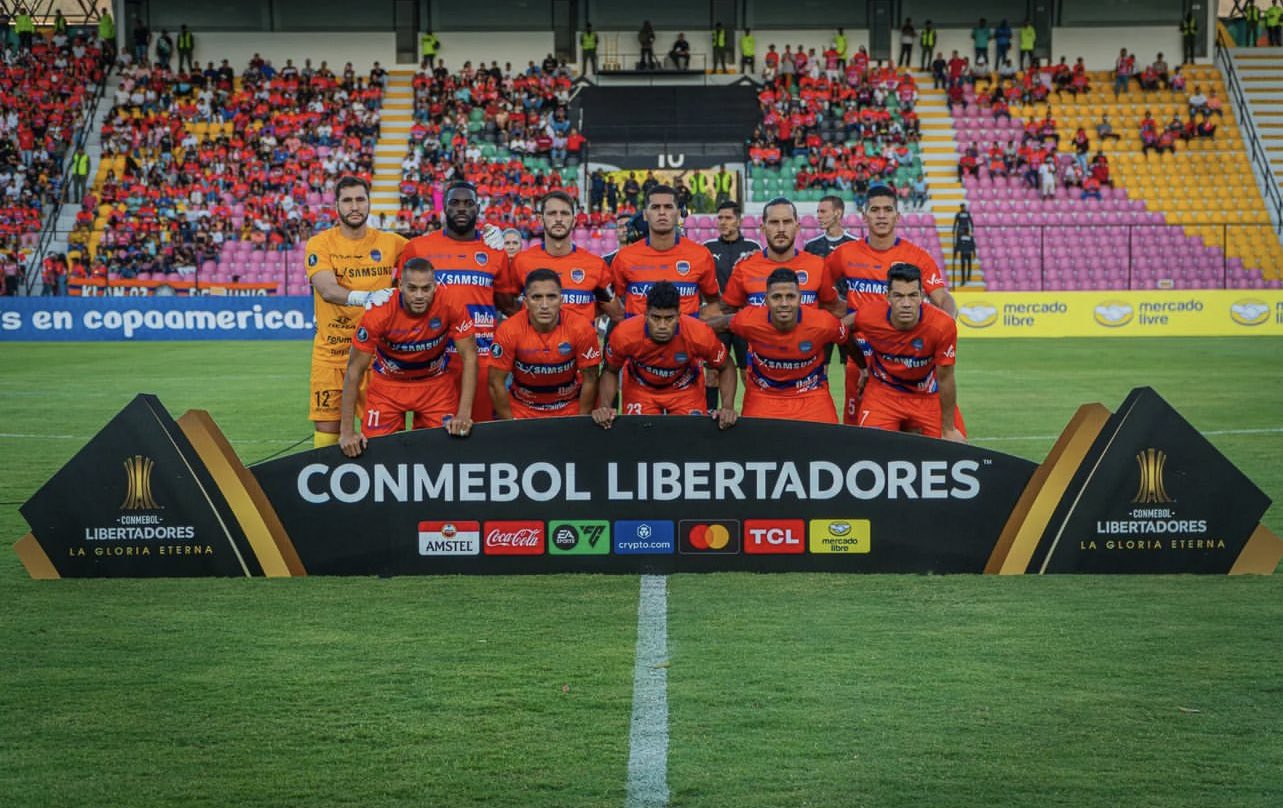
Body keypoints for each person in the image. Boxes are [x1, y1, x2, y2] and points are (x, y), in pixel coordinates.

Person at [825, 185, 957, 426]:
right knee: (858, 433)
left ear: (898, 216)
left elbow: (942, 298)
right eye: (875, 210)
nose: (882, 215)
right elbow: (821, 290)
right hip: (861, 355)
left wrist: (946, 325)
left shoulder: (917, 256)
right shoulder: (845, 254)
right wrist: (839, 310)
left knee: (921, 431)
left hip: (906, 355)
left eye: (888, 210)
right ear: (864, 216)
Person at [304, 176, 408, 448]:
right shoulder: (320, 243)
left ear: (369, 203)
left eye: (360, 199)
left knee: (383, 439)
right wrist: (366, 297)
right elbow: (326, 288)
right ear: (336, 206)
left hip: (377, 357)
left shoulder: (391, 243)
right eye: (347, 200)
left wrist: (483, 238)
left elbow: (434, 257)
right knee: (327, 435)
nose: (354, 206)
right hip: (333, 355)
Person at [338, 259, 477, 457]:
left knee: (443, 454)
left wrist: (464, 414)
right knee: (376, 455)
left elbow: (470, 356)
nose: (419, 295)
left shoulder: (451, 303)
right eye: (412, 288)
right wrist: (347, 431)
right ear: (400, 285)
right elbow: (354, 370)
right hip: (387, 388)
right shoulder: (379, 313)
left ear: (435, 286)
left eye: (426, 288)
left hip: (435, 387)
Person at [396, 182, 510, 424]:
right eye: (454, 203)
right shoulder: (417, 248)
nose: (461, 208)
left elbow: (507, 304)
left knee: (480, 439)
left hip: (481, 360)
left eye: (468, 203)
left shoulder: (494, 250)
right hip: (432, 362)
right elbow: (400, 300)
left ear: (478, 208)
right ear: (443, 209)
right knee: (431, 442)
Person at [594, 281, 736, 427]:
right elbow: (610, 371)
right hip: (640, 389)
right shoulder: (624, 334)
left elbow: (726, 366)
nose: (662, 326)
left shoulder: (699, 333)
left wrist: (727, 407)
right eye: (655, 318)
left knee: (690, 440)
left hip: (685, 389)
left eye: (669, 318)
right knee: (641, 439)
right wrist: (604, 405)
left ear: (679, 315)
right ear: (646, 314)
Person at [716, 269, 848, 424]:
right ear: (766, 300)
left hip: (811, 394)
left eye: (790, 297)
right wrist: (685, 329)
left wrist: (862, 367)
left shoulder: (824, 323)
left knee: (826, 443)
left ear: (800, 299)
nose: (784, 304)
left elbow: (847, 339)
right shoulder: (748, 321)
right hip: (763, 395)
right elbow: (719, 324)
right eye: (776, 297)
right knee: (755, 445)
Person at [850, 263, 963, 441]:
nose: (906, 304)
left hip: (927, 395)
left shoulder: (942, 326)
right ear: (888, 297)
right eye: (898, 296)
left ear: (922, 297)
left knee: (957, 451)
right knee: (869, 449)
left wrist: (948, 429)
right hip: (883, 393)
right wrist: (862, 367)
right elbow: (839, 330)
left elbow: (945, 378)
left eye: (912, 296)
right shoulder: (868, 316)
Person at [489, 269, 601, 419]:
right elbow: (495, 382)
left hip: (568, 407)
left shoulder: (581, 328)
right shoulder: (508, 330)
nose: (544, 305)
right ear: (526, 302)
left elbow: (591, 378)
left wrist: (580, 422)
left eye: (551, 297)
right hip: (522, 409)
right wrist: (511, 424)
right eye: (536, 297)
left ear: (561, 300)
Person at [610, 185, 721, 319]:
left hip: (686, 339)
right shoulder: (624, 257)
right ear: (645, 214)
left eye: (668, 207)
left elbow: (714, 301)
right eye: (655, 207)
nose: (662, 212)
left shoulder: (701, 255)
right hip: (639, 339)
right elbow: (609, 298)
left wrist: (694, 320)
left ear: (679, 213)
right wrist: (629, 321)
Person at [511, 191, 621, 323]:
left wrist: (584, 317)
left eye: (565, 213)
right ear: (540, 219)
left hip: (580, 343)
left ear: (574, 220)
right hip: (535, 343)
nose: (558, 219)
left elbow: (616, 313)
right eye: (552, 213)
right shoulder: (521, 262)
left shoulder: (595, 265)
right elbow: (507, 305)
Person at [804, 195, 857, 259]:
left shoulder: (856, 244)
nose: (818, 216)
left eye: (823, 211)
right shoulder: (811, 245)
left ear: (838, 213)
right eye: (818, 212)